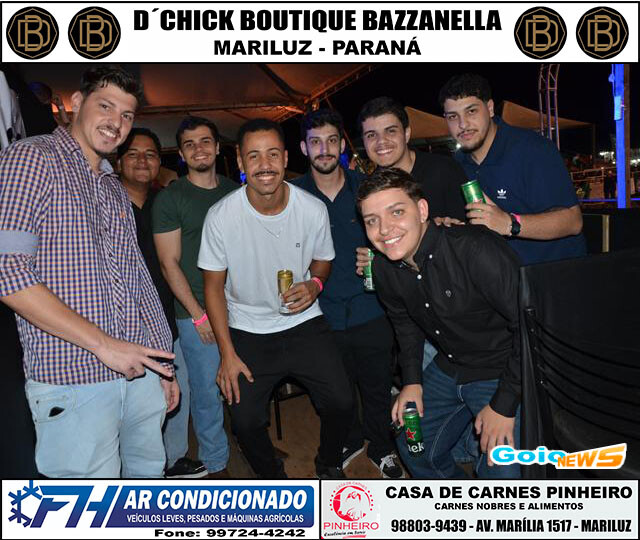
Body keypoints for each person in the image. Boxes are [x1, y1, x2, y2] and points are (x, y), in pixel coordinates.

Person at [0, 66, 178, 478]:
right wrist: (104, 345)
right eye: (106, 106)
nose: (117, 122)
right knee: (89, 506)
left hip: (140, 375)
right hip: (73, 380)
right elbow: (7, 271)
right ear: (77, 103)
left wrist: (164, 368)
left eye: (127, 115)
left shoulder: (114, 186)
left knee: (145, 492)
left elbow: (139, 280)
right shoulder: (32, 158)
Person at [199, 118, 353, 479]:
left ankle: (328, 463)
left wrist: (315, 284)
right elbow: (213, 288)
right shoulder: (221, 216)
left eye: (272, 154)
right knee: (245, 420)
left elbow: (324, 260)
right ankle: (273, 479)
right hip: (247, 328)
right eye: (253, 156)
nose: (264, 165)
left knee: (342, 401)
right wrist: (227, 354)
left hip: (304, 322)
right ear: (240, 162)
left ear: (285, 158)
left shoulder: (312, 208)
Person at [357, 167, 522, 479]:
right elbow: (405, 326)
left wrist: (504, 404)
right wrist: (412, 382)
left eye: (396, 212)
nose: (384, 229)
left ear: (422, 210)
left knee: (504, 469)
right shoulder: (383, 269)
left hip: (502, 369)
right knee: (412, 445)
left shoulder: (475, 249)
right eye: (371, 220)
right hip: (449, 367)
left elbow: (530, 328)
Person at [293, 109, 402, 478]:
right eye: (315, 142)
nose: (324, 149)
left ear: (342, 144)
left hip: (371, 309)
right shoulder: (293, 196)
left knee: (377, 386)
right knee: (335, 392)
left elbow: (396, 238)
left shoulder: (367, 188)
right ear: (304, 148)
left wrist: (378, 255)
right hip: (320, 314)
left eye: (331, 140)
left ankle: (383, 447)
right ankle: (350, 439)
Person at [117, 127, 205, 478]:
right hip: (122, 325)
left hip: (166, 318)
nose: (142, 160)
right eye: (133, 154)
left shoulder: (163, 203)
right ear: (118, 161)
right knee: (134, 406)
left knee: (175, 392)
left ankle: (173, 460)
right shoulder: (106, 203)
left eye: (151, 154)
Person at [153, 116, 237, 478]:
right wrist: (198, 314)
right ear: (182, 154)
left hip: (238, 306)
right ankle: (216, 463)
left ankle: (235, 442)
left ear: (217, 147)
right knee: (206, 391)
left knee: (232, 383)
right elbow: (168, 263)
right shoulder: (171, 198)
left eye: (205, 141)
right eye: (189, 144)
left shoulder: (234, 191)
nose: (198, 149)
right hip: (197, 313)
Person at [439, 73, 586, 265]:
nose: (463, 124)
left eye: (471, 111)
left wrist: (509, 223)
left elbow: (573, 222)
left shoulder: (532, 149)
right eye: (453, 116)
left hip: (554, 274)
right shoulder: (457, 163)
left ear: (490, 108)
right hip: (499, 276)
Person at [357, 96, 467, 222]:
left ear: (407, 134)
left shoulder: (444, 170)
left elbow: (472, 226)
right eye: (371, 135)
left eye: (391, 131)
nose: (381, 141)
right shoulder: (370, 190)